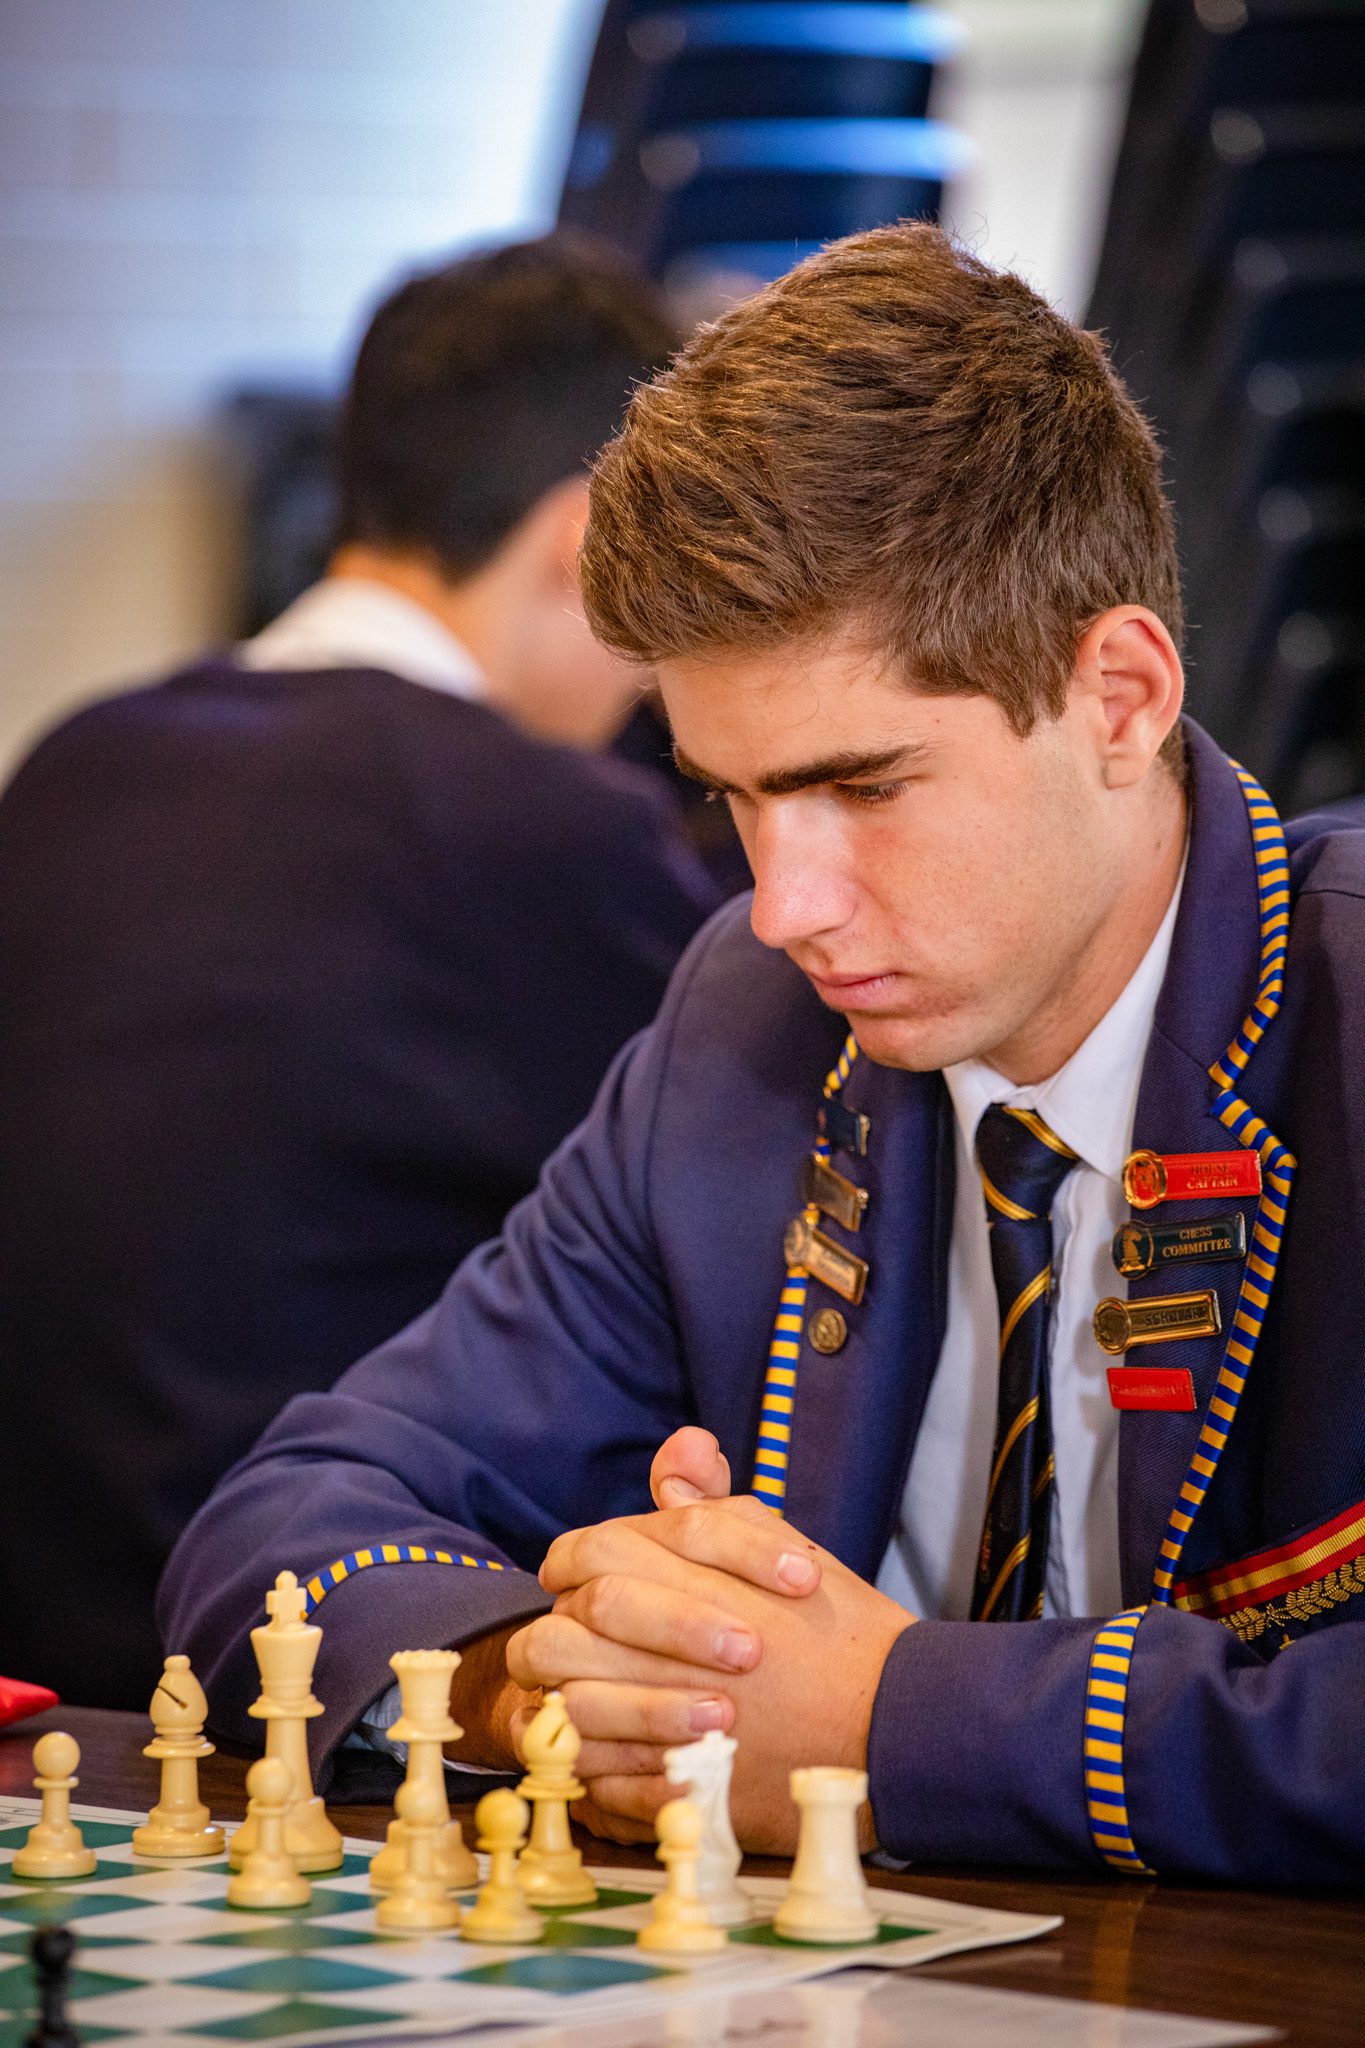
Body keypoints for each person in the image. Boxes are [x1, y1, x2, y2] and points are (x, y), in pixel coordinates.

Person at [161, 224, 1365, 1882]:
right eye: (729, 796)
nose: (784, 904)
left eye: (866, 788)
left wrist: (895, 1717)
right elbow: (292, 1512)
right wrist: (558, 1688)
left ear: (1119, 697)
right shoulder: (744, 1019)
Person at [0, 234, 720, 1710]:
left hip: (29, 1679)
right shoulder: (537, 830)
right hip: (312, 1701)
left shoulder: (75, 759)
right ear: (590, 542)